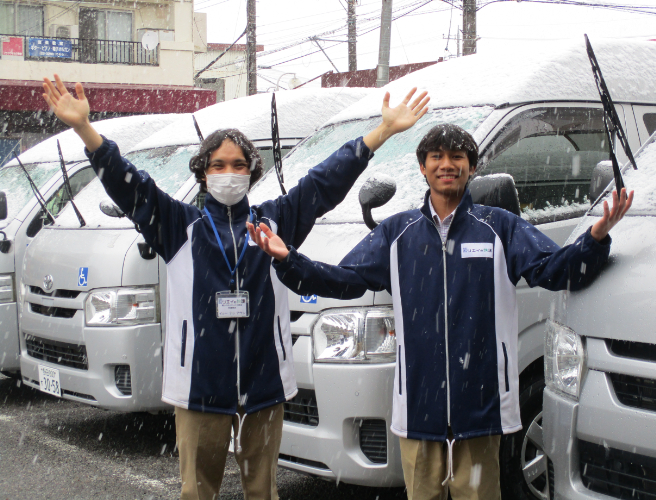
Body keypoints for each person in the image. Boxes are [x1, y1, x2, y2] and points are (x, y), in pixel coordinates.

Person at [41, 74, 430, 500]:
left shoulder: (274, 220)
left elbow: (323, 184)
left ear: (252, 171)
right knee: (198, 492)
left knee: (262, 492)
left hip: (264, 387)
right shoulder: (178, 226)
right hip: (198, 387)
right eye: (219, 165)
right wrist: (84, 129)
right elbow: (129, 184)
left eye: (239, 165)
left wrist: (381, 133)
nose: (229, 173)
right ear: (203, 174)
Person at [247, 123, 633, 500]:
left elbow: (556, 270)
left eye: (457, 156)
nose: (447, 164)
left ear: (472, 166)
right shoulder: (398, 233)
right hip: (418, 409)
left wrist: (595, 238)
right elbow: (343, 281)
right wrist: (289, 259)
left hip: (482, 407)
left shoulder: (499, 227)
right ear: (423, 167)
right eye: (437, 156)